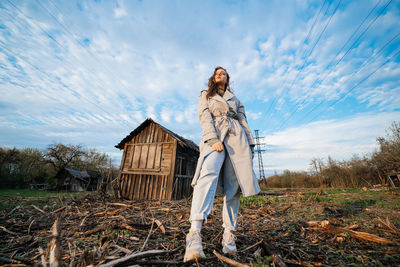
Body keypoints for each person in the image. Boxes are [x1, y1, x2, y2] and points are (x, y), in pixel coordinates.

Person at [184, 66, 260, 262]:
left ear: (227, 78)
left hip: (237, 139)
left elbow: (244, 122)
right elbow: (204, 116)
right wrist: (211, 139)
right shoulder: (205, 95)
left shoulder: (236, 100)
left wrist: (250, 146)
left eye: (224, 73)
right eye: (217, 72)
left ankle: (229, 234)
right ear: (213, 77)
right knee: (206, 175)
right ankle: (194, 234)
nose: (220, 74)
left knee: (233, 186)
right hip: (215, 135)